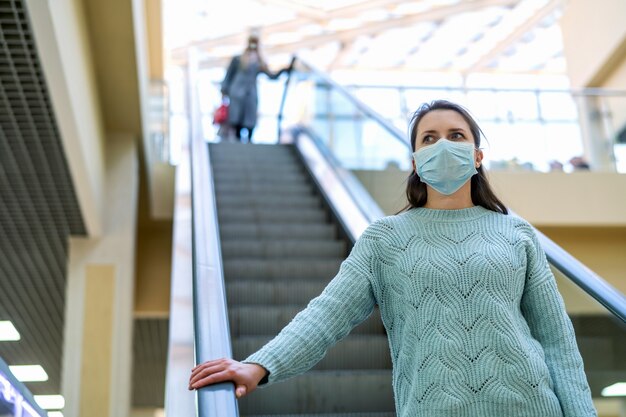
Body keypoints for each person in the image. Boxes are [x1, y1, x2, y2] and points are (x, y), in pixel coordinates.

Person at [189, 100, 597, 416]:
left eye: (457, 136)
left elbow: (558, 343)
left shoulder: (516, 232)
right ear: (416, 161)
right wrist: (260, 365)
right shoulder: (385, 238)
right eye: (429, 138)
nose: (443, 145)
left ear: (477, 156)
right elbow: (327, 314)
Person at [220, 33, 288, 142]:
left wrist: (284, 70)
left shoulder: (259, 61)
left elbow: (271, 75)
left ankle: (248, 142)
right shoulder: (238, 59)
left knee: (250, 118)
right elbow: (229, 75)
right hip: (237, 93)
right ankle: (237, 141)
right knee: (236, 118)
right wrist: (224, 90)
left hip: (250, 94)